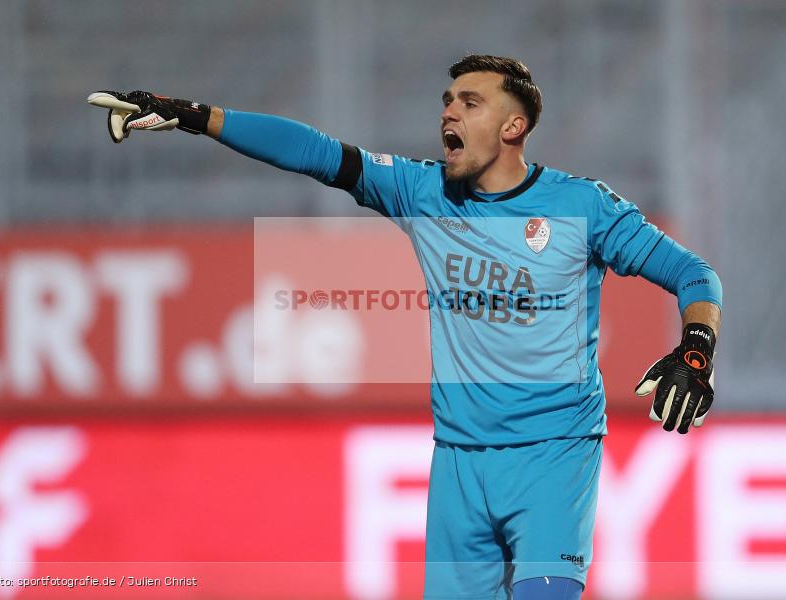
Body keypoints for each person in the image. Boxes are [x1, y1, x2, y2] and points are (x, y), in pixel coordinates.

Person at [89, 54, 722, 600]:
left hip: (553, 457)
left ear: (513, 126)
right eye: (447, 101)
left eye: (469, 103)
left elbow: (693, 276)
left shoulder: (582, 207)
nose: (448, 113)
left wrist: (695, 350)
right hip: (458, 464)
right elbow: (315, 153)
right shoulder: (421, 192)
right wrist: (194, 115)